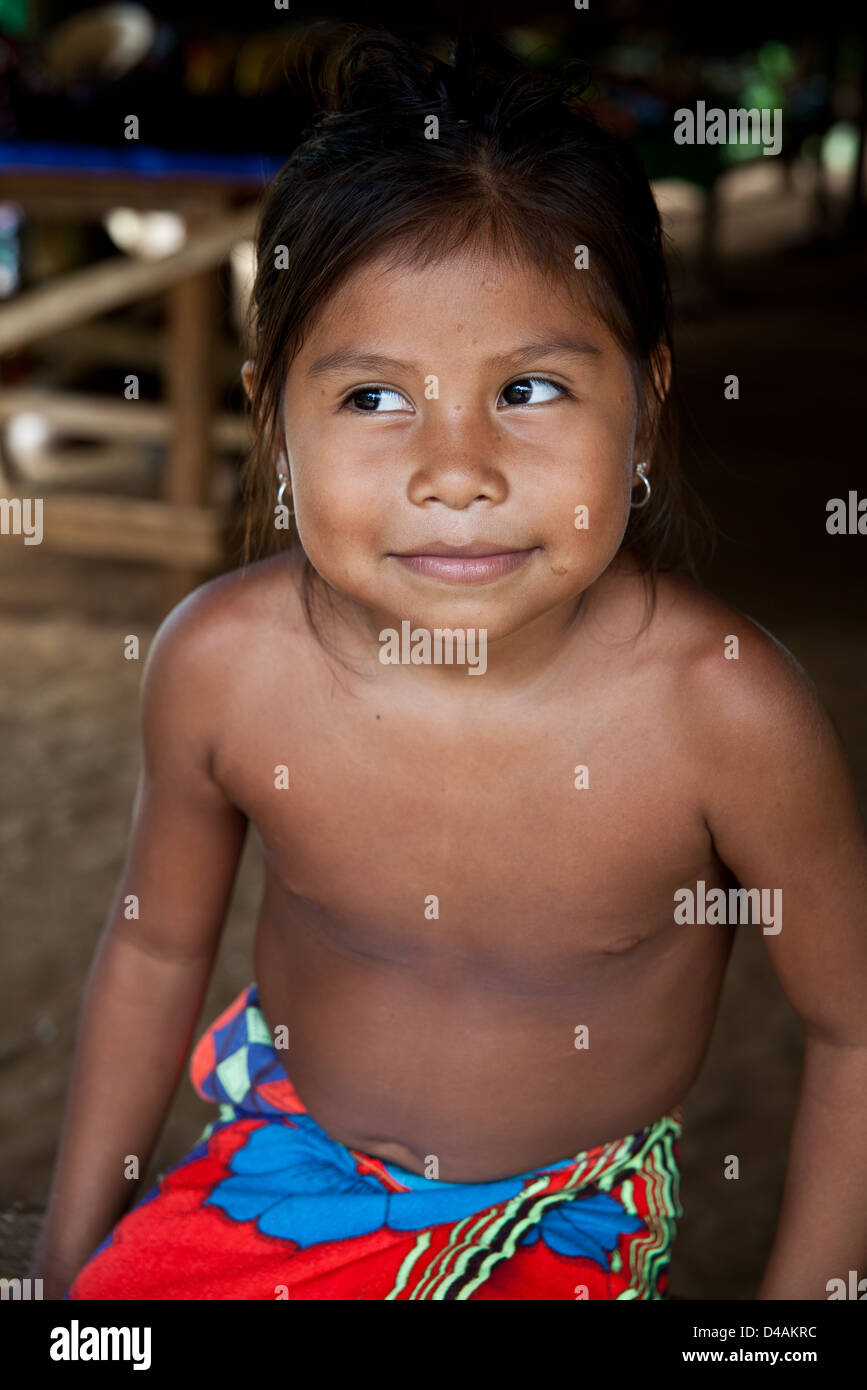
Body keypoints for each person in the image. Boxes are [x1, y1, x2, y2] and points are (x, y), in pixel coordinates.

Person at [32, 23, 867, 1301]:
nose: (457, 474)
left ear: (644, 402)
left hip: (558, 1222)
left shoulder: (723, 712)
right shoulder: (224, 665)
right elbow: (153, 952)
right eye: (374, 398)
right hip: (277, 1168)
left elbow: (854, 1025)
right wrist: (66, 1268)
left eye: (530, 389)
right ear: (273, 418)